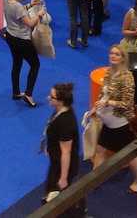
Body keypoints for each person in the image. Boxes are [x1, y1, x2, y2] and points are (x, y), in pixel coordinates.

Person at [89, 45, 137, 192]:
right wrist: (95, 108)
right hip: (108, 122)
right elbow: (103, 94)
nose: (113, 56)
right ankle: (93, 180)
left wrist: (109, 102)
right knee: (100, 150)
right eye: (111, 53)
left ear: (123, 58)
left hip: (121, 124)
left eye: (117, 54)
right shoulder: (109, 72)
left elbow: (128, 103)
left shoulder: (127, 77)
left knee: (131, 156)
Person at [4, 0, 45, 107]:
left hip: (10, 36)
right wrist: (39, 15)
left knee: (17, 63)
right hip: (22, 40)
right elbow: (30, 23)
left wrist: (30, 5)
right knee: (35, 65)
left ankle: (16, 92)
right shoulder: (17, 7)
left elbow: (19, 12)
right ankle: (28, 94)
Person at [43, 83, 83, 211]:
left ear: (61, 101)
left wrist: (63, 178)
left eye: (52, 97)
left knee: (58, 197)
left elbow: (66, 152)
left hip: (63, 167)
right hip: (56, 161)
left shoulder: (65, 122)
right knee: (53, 192)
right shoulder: (61, 110)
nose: (48, 98)